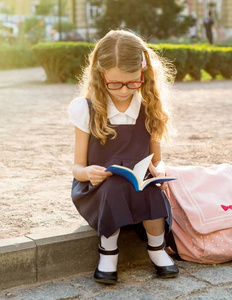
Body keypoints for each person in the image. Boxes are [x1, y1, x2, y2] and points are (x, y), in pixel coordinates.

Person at [68, 29, 178, 284]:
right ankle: (108, 252)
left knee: (151, 188)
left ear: (143, 74)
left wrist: (159, 170)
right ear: (100, 74)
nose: (124, 90)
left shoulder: (149, 106)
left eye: (133, 82)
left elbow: (156, 158)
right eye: (115, 83)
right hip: (96, 189)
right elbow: (77, 167)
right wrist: (88, 173)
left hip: (138, 187)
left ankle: (157, 248)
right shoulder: (86, 109)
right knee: (115, 185)